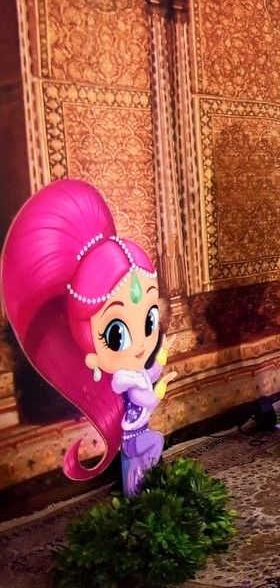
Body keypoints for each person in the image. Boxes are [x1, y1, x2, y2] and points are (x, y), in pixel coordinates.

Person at [0, 180, 176, 496]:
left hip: (133, 427)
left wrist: (154, 368)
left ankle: (143, 489)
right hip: (123, 426)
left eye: (150, 319)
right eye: (117, 333)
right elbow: (142, 394)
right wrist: (152, 387)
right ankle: (137, 492)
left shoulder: (135, 365)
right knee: (140, 456)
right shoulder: (118, 376)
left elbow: (146, 374)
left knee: (143, 459)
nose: (141, 342)